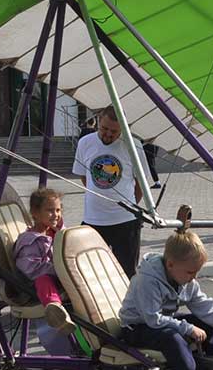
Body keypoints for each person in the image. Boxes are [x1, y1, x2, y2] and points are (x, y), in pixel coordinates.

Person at [118, 212, 213, 370]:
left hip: (161, 321)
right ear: (170, 264)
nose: (194, 277)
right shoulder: (147, 282)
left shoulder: (185, 279)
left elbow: (204, 306)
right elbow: (153, 320)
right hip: (136, 327)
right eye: (190, 272)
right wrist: (188, 328)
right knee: (172, 338)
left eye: (196, 272)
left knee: (205, 323)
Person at [72, 107, 145, 276]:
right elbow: (85, 177)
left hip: (125, 222)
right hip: (93, 220)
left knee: (127, 273)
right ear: (98, 121)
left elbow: (141, 184)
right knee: (91, 272)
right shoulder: (85, 142)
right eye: (104, 129)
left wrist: (130, 206)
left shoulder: (134, 146)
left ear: (124, 129)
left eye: (114, 131)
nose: (108, 134)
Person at [13, 188, 75, 335]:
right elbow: (30, 268)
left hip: (61, 276)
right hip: (35, 284)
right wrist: (58, 270)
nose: (56, 215)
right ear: (35, 213)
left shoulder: (56, 232)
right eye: (50, 211)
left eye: (58, 210)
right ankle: (54, 309)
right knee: (43, 280)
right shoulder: (30, 240)